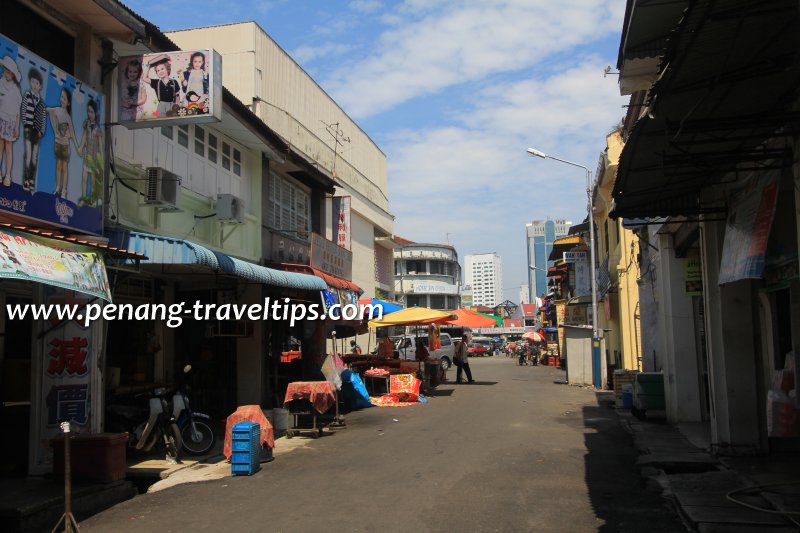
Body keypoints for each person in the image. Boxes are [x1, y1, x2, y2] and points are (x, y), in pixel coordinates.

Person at [21, 67, 45, 192]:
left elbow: (44, 117)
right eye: (33, 82)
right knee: (28, 155)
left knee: (34, 157)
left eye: (37, 83)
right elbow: (24, 110)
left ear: (40, 86)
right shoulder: (27, 95)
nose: (34, 85)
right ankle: (25, 179)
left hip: (37, 132)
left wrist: (41, 131)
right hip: (28, 130)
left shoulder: (41, 102)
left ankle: (31, 180)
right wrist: (25, 124)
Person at [0, 56, 22, 188]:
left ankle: (7, 175)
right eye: (5, 70)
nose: (6, 73)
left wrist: (16, 127)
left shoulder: (15, 90)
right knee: (0, 145)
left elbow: (17, 111)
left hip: (10, 121)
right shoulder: (0, 83)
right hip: (0, 118)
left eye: (9, 72)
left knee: (8, 147)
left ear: (13, 74)